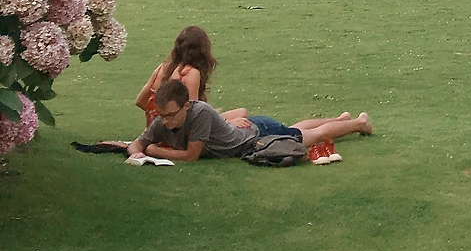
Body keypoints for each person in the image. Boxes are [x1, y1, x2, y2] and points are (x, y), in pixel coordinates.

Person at [128, 79, 373, 163]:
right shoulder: (164, 119)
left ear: (186, 106)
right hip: (251, 131)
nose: (165, 121)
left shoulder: (199, 112)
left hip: (257, 136)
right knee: (294, 129)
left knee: (310, 136)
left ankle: (359, 123)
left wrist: (155, 151)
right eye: (161, 115)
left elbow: (192, 156)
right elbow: (137, 143)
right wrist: (138, 152)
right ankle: (341, 119)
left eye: (170, 115)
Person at [136, 26, 218, 125]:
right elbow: (193, 115)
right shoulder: (190, 73)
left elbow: (140, 101)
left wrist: (160, 117)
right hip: (175, 131)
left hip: (154, 130)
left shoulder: (162, 68)